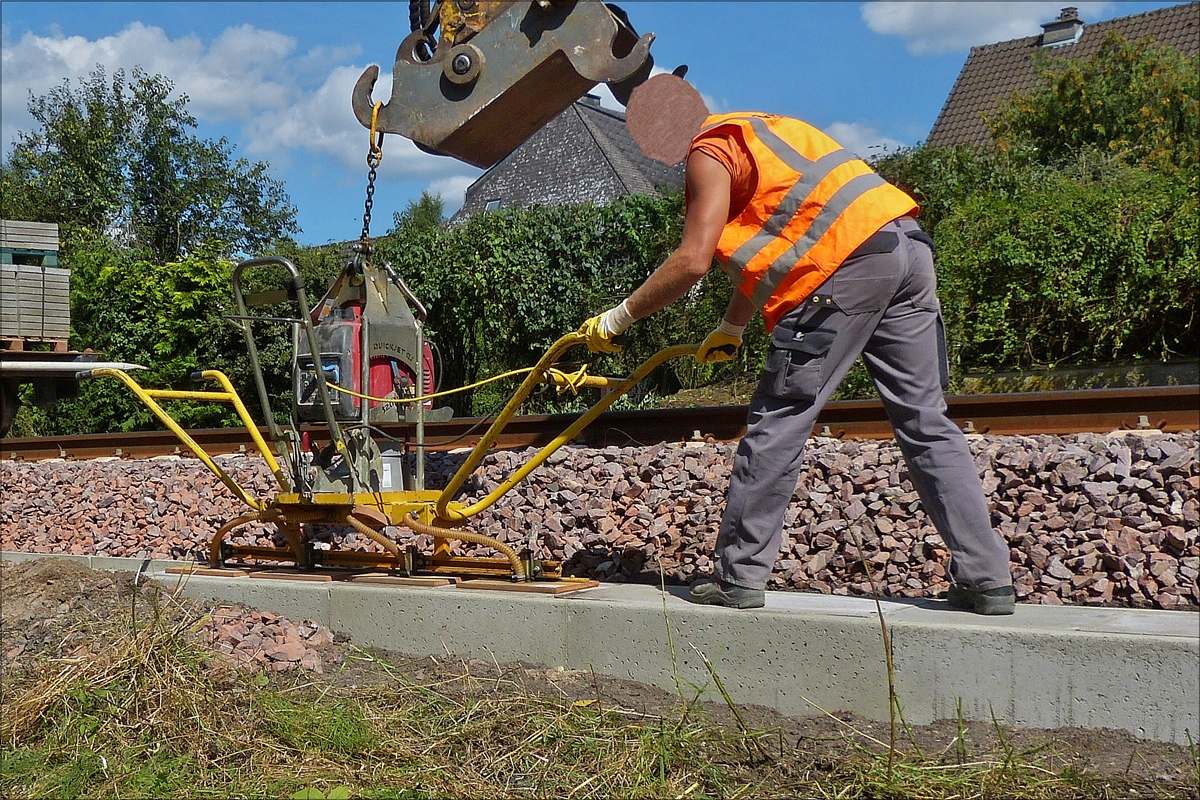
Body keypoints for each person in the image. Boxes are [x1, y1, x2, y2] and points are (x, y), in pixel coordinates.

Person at [578, 74, 1015, 615]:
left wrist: (619, 318)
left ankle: (739, 577)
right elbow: (777, 241)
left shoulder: (707, 152)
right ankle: (988, 579)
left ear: (656, 137)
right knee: (926, 419)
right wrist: (734, 325)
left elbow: (693, 258)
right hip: (905, 250)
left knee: (780, 417)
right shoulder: (764, 131)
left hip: (845, 269)